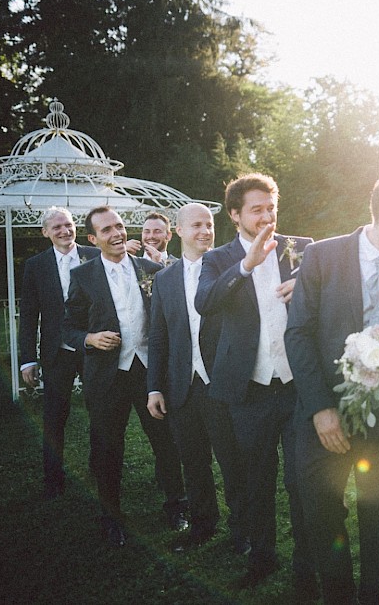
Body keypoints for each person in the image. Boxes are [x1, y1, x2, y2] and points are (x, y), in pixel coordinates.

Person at [285, 173, 379, 605]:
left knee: (378, 513)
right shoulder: (322, 256)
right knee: (321, 512)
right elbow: (298, 333)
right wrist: (320, 409)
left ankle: (373, 596)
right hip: (323, 408)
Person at [195, 174, 315, 593]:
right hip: (251, 389)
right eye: (256, 209)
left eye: (271, 207)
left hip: (299, 387)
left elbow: (329, 300)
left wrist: (304, 287)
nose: (266, 216)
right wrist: (246, 266)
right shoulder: (217, 259)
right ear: (235, 215)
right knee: (255, 480)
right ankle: (262, 558)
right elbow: (205, 302)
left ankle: (307, 566)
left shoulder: (301, 248)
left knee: (303, 480)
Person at [63, 206, 187, 546]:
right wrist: (89, 339)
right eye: (106, 230)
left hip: (149, 372)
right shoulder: (83, 276)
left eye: (118, 226)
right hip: (107, 376)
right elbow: (68, 328)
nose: (117, 233)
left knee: (165, 440)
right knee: (107, 447)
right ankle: (111, 517)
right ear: (93, 239)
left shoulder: (150, 270)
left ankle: (177, 505)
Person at [146, 202, 244, 552]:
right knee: (194, 462)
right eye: (197, 225)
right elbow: (158, 336)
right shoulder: (164, 279)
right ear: (179, 231)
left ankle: (242, 530)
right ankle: (203, 524)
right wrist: (155, 387)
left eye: (209, 225)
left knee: (233, 461)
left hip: (221, 381)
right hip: (181, 386)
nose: (205, 231)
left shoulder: (229, 267)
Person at [18, 206, 99, 500]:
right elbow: (28, 314)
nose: (65, 231)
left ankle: (99, 469)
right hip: (56, 353)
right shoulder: (36, 266)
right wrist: (28, 358)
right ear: (45, 233)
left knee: (100, 412)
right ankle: (53, 479)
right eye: (57, 228)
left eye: (68, 225)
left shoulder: (94, 256)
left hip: (92, 349)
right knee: (54, 417)